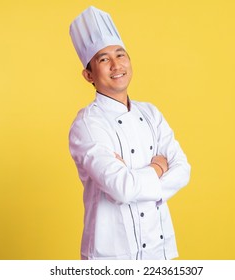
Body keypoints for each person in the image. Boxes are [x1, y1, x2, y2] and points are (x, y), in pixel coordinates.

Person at [68, 6, 191, 260]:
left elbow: (183, 170)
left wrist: (133, 178)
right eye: (103, 59)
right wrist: (158, 168)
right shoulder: (88, 125)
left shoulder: (151, 113)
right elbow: (122, 189)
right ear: (88, 74)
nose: (116, 65)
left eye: (120, 55)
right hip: (111, 257)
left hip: (160, 252)